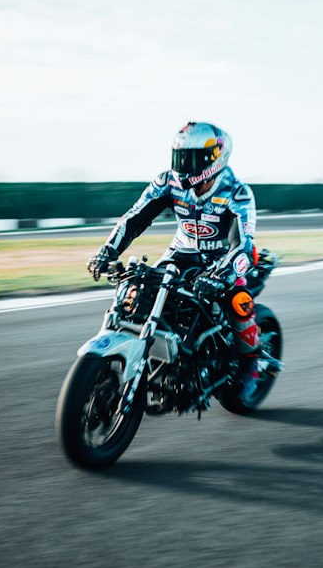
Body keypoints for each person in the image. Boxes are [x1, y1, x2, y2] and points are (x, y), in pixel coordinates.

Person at [87, 121, 263, 402]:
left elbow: (243, 246)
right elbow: (134, 218)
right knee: (139, 290)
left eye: (192, 158)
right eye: (179, 157)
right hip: (180, 253)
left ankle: (251, 363)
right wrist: (107, 251)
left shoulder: (237, 192)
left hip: (222, 261)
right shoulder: (167, 181)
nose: (183, 165)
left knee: (240, 300)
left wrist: (223, 274)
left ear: (215, 158)